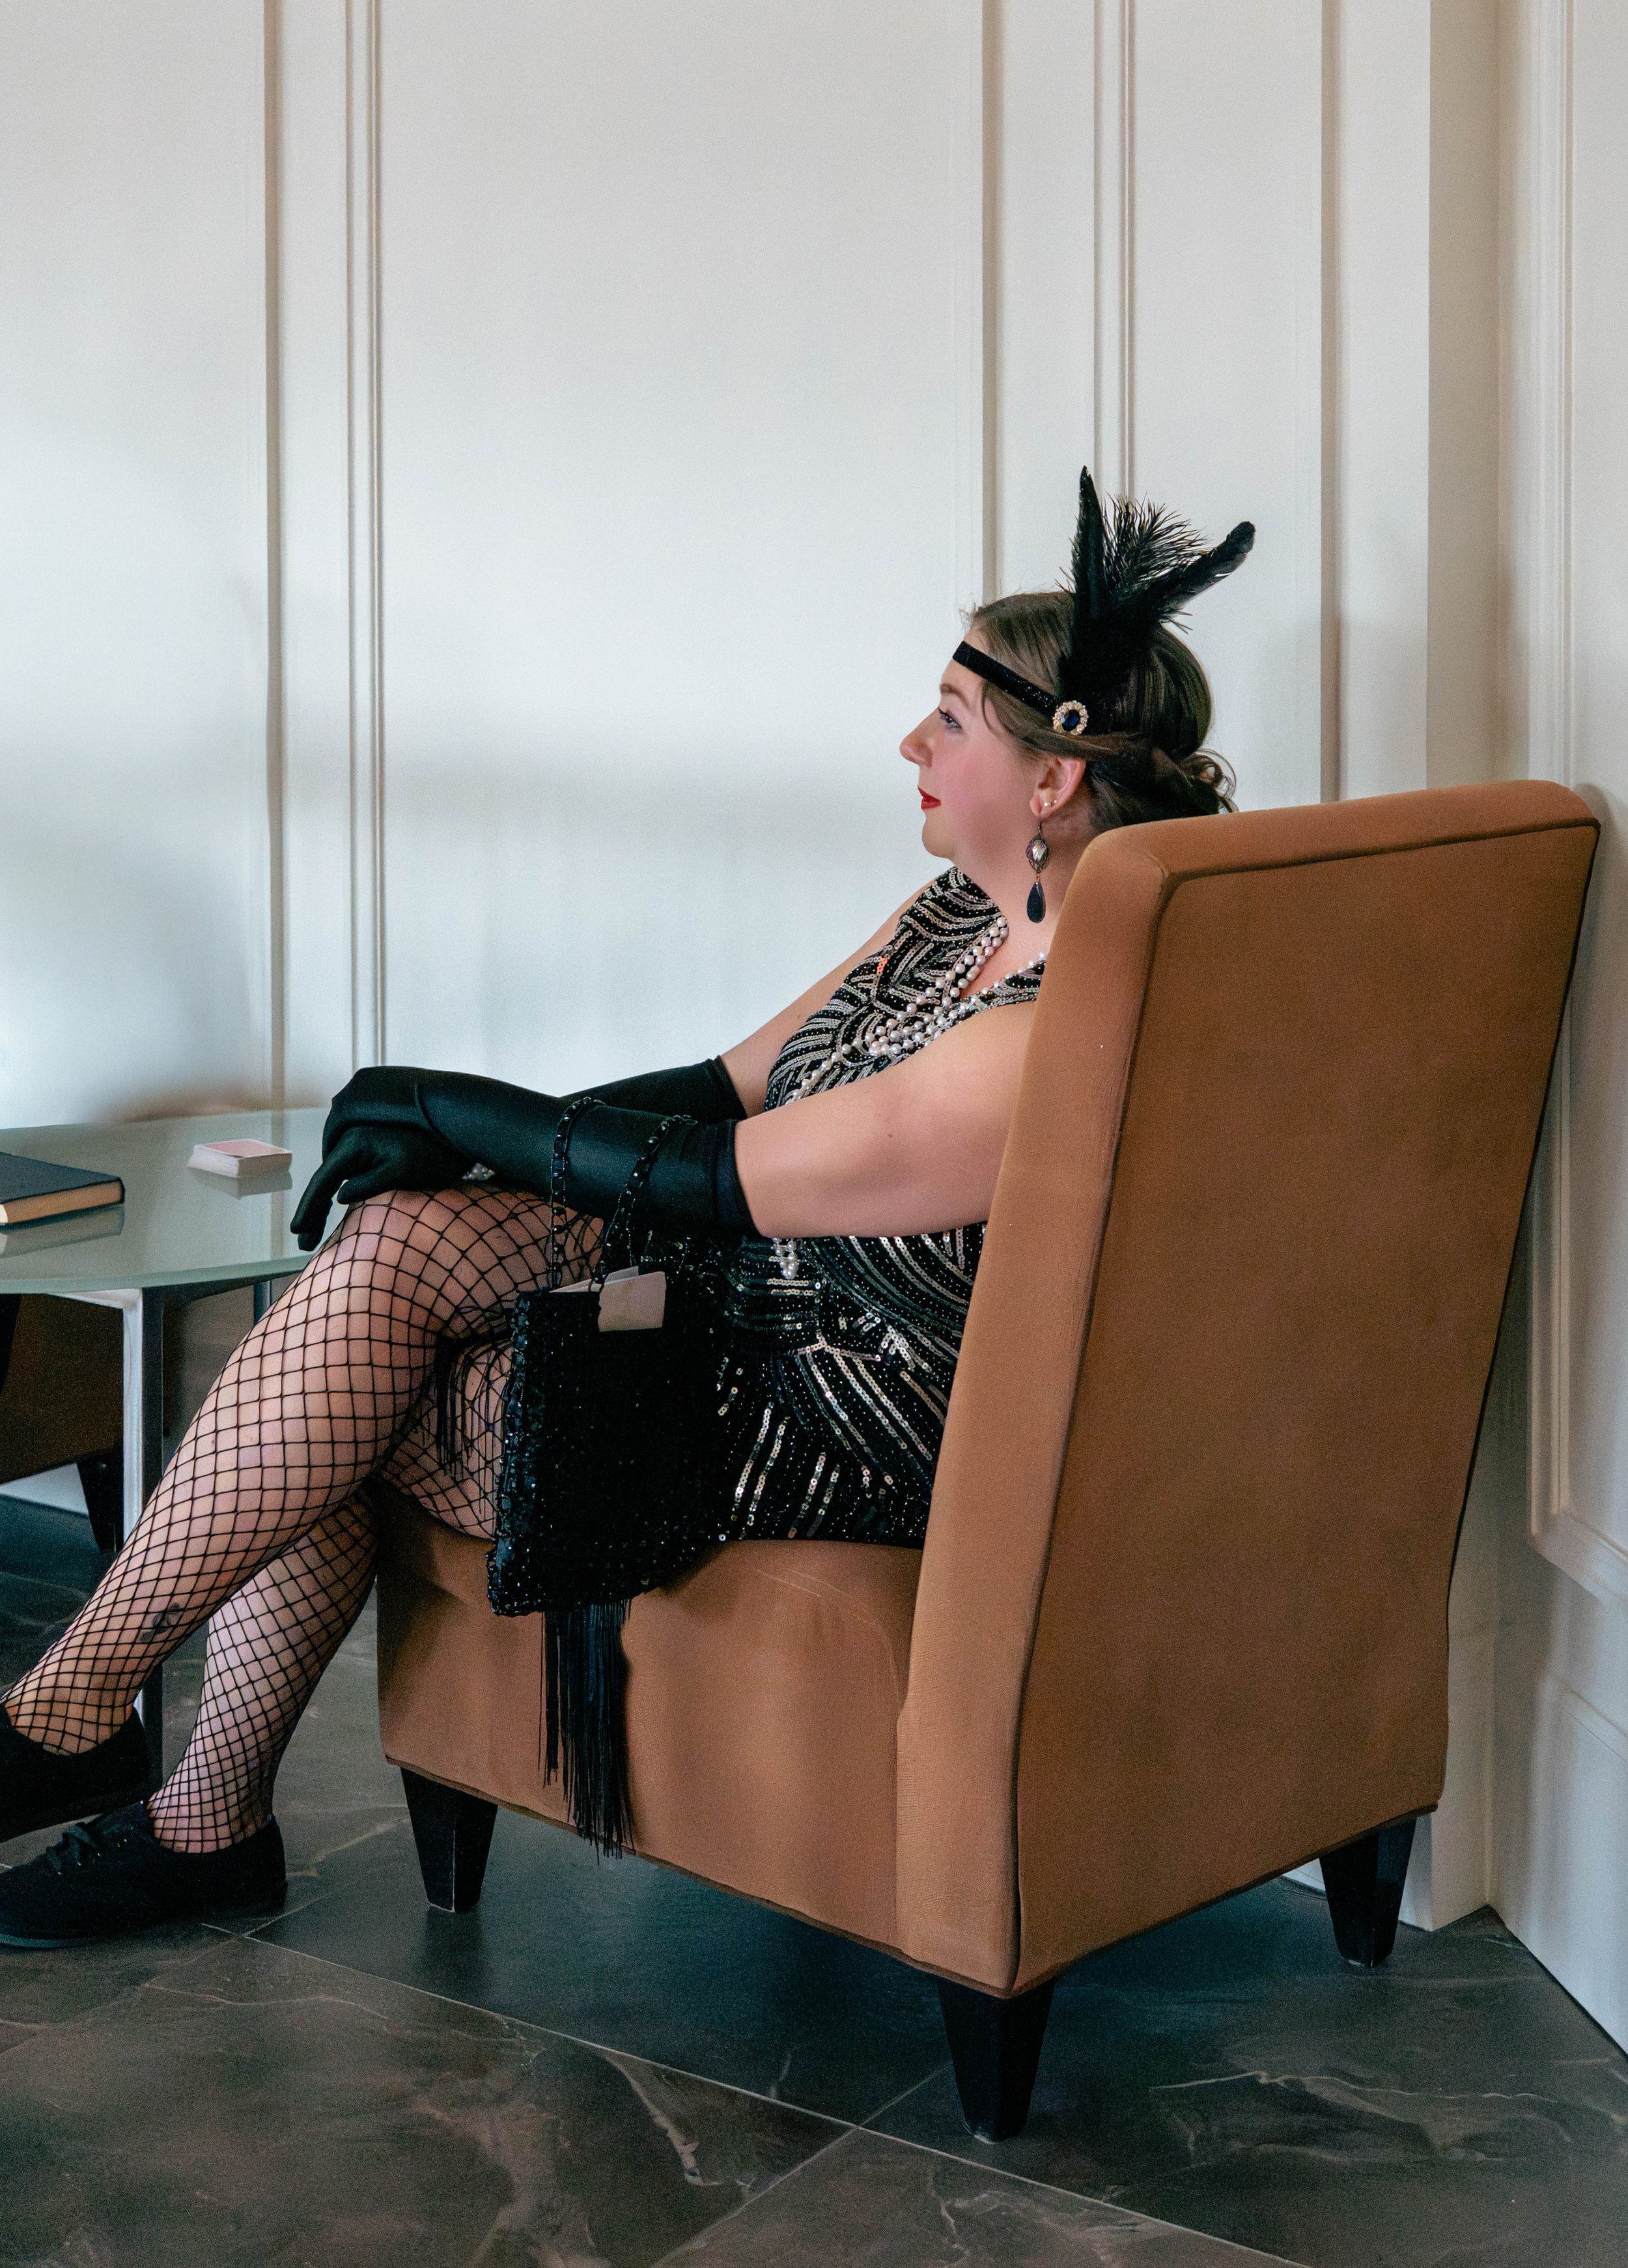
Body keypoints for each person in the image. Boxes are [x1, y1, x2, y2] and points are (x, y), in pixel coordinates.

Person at [0, 470, 1250, 1944]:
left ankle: (153, 1777)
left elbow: (730, 1179)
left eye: (951, 721)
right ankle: (103, 1730)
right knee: (393, 1255)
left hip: (855, 1412)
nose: (908, 742)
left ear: (1052, 779)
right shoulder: (953, 915)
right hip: (756, 1305)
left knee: (356, 1387)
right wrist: (468, 1149)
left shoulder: (1044, 1026)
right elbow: (724, 1088)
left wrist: (472, 1111)